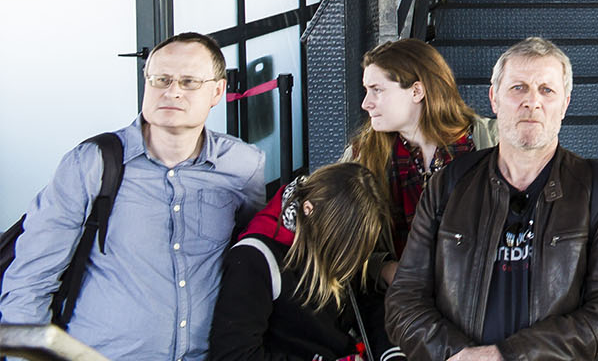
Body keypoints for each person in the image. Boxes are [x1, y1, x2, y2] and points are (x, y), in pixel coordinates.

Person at [0, 32, 266, 361]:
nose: (172, 92)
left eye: (189, 82)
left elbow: (253, 265)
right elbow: (31, 278)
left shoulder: (243, 166)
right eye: (160, 79)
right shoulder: (92, 163)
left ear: (217, 91)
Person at [386, 36, 598, 361]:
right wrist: (458, 354)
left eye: (546, 90)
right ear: (494, 98)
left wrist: (508, 355)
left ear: (565, 105)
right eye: (518, 88)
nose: (532, 101)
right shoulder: (449, 184)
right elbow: (404, 299)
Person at [238, 39, 494, 270]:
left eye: (377, 90)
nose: (365, 103)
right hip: (394, 304)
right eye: (366, 90)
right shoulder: (362, 156)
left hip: (475, 299)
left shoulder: (488, 143)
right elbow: (325, 228)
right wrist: (380, 269)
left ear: (417, 91)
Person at [208, 162, 400, 361]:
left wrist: (391, 353)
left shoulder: (342, 238)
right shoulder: (254, 260)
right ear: (308, 209)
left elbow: (369, 303)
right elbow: (233, 354)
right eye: (338, 247)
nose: (348, 262)